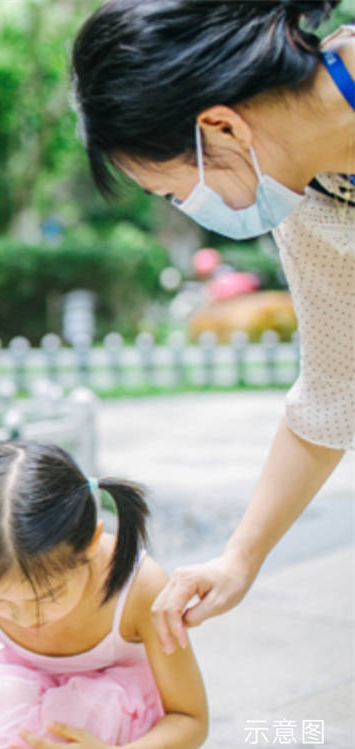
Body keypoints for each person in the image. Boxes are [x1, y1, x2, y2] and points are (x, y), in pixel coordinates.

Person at [71, 0, 354, 655]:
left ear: (221, 127)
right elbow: (334, 391)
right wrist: (239, 559)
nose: (188, 207)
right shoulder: (313, 202)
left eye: (175, 191)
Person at [0, 441, 207, 749]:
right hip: (21, 709)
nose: (25, 618)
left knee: (82, 709)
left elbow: (191, 720)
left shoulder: (140, 589)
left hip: (117, 739)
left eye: (48, 597)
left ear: (90, 543)